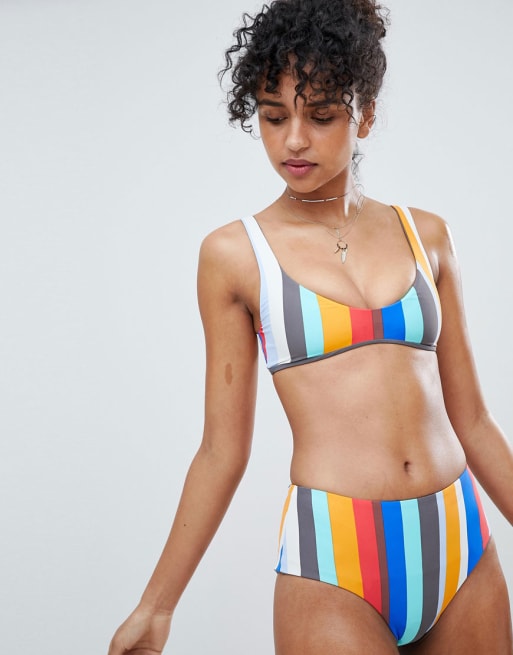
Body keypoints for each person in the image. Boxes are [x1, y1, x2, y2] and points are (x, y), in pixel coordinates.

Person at [107, 0, 513, 652]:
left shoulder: (428, 236)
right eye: (273, 116)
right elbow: (221, 451)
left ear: (365, 114)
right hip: (334, 559)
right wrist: (157, 606)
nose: (294, 139)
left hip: (460, 541)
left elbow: (474, 422)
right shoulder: (235, 256)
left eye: (321, 115)